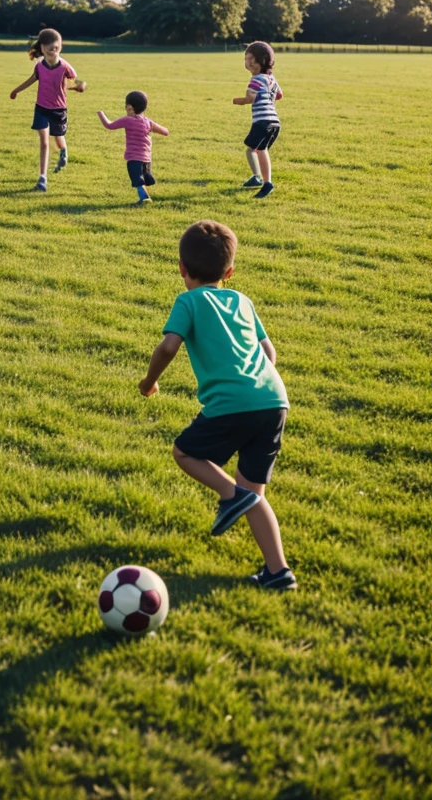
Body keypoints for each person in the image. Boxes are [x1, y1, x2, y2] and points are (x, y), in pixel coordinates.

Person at [138, 220, 295, 590]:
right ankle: (278, 572)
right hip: (273, 399)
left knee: (184, 453)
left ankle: (229, 495)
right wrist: (254, 383)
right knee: (253, 496)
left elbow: (168, 347)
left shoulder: (188, 301)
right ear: (229, 271)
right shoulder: (242, 299)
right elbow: (269, 352)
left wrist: (149, 382)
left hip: (232, 403)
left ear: (181, 268)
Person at [10, 28, 86, 192]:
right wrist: (16, 90)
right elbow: (31, 80)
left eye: (55, 45)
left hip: (59, 109)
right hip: (41, 108)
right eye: (48, 45)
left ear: (60, 46)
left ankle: (64, 151)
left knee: (58, 138)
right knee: (44, 142)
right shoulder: (40, 67)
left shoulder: (65, 67)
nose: (52, 48)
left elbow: (73, 82)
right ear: (42, 48)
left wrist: (80, 86)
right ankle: (42, 178)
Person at [96, 91, 169, 205]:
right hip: (146, 158)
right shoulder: (147, 121)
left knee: (137, 179)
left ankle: (144, 198)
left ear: (130, 108)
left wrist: (100, 113)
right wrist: (156, 129)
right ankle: (146, 196)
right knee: (142, 177)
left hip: (134, 157)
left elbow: (109, 125)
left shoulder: (127, 120)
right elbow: (165, 132)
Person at [232, 40, 283, 199]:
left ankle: (267, 183)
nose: (246, 63)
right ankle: (256, 177)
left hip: (263, 122)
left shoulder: (256, 79)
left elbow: (250, 98)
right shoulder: (271, 79)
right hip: (275, 122)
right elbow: (279, 95)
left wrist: (237, 101)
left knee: (260, 150)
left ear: (259, 61)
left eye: (249, 59)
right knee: (251, 149)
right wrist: (269, 100)